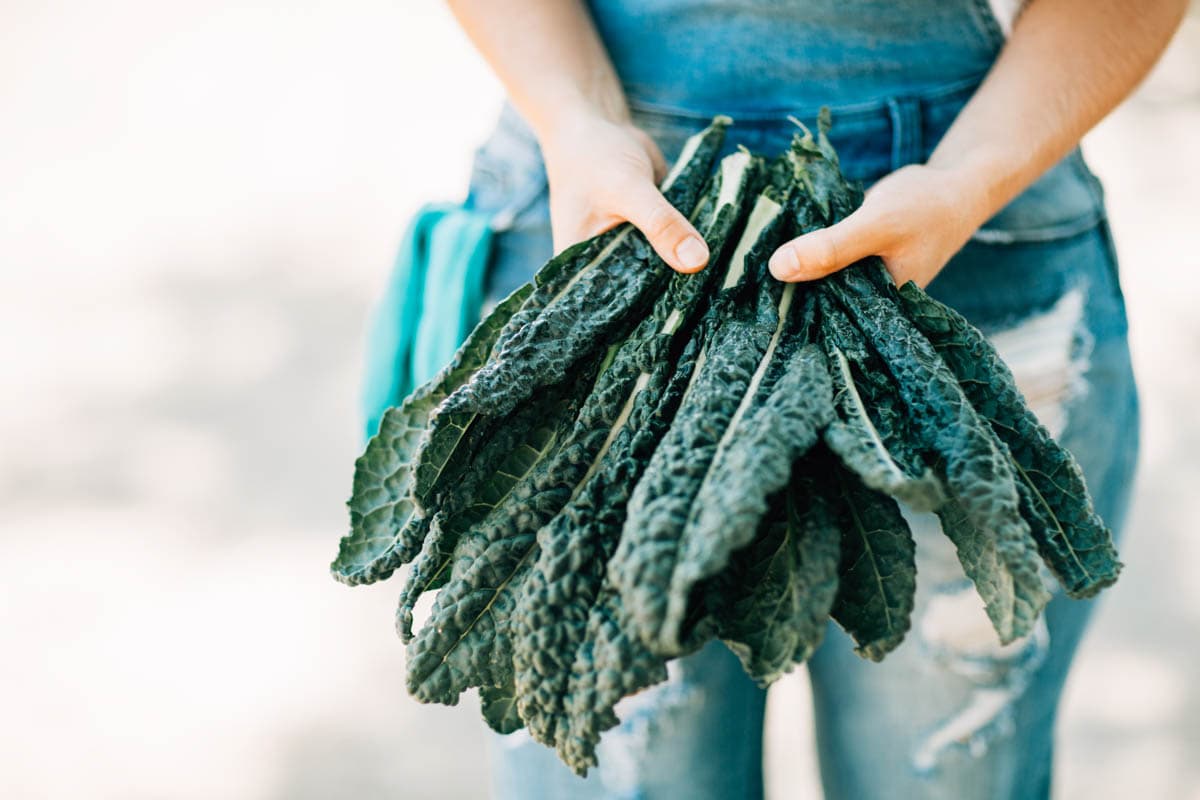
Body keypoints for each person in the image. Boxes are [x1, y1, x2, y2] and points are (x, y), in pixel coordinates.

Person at [441, 1, 1185, 798]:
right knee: (616, 761)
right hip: (604, 210)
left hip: (962, 231)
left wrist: (967, 182)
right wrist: (573, 116)